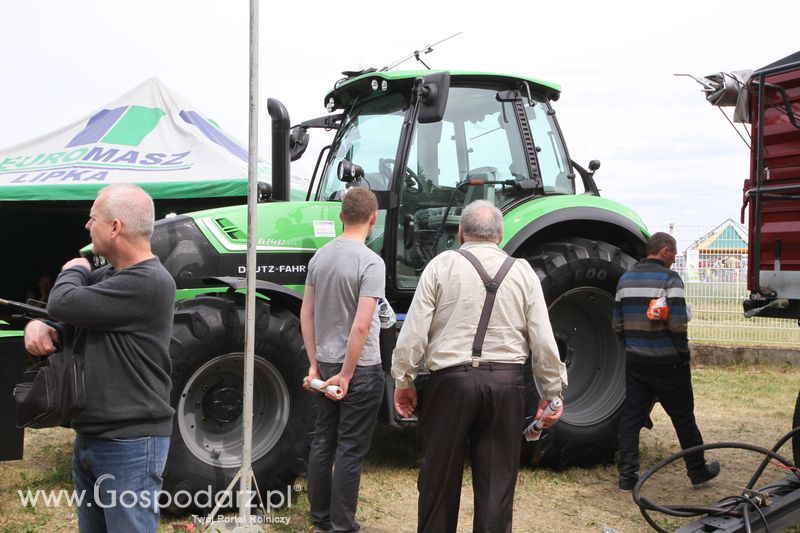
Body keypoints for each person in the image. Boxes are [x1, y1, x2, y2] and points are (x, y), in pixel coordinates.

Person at [391, 199, 568, 533]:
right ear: (500, 235)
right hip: (506, 385)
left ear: (460, 233)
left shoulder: (441, 265)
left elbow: (413, 332)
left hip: (450, 384)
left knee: (438, 482)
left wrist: (404, 380)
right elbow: (544, 340)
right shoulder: (523, 272)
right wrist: (551, 391)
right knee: (497, 486)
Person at [23, 184, 176, 532]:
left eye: (92, 218)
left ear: (115, 227)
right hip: (93, 437)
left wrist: (74, 266)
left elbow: (64, 301)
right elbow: (68, 315)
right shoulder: (110, 276)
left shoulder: (149, 282)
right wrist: (39, 324)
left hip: (130, 443)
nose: (86, 226)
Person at [300, 187, 386, 533]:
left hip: (326, 364)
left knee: (323, 441)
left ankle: (320, 518)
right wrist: (348, 374)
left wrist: (315, 364)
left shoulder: (319, 258)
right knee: (350, 449)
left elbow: (306, 313)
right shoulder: (371, 262)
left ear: (340, 216)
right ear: (373, 218)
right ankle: (342, 525)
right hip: (359, 370)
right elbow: (362, 324)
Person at [613, 232, 720, 492]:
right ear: (664, 252)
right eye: (673, 253)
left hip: (637, 362)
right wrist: (682, 353)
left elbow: (617, 324)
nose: (674, 258)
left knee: (631, 418)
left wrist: (633, 347)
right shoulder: (670, 279)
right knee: (683, 417)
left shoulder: (625, 279)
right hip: (669, 363)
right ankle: (697, 470)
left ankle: (627, 477)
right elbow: (677, 322)